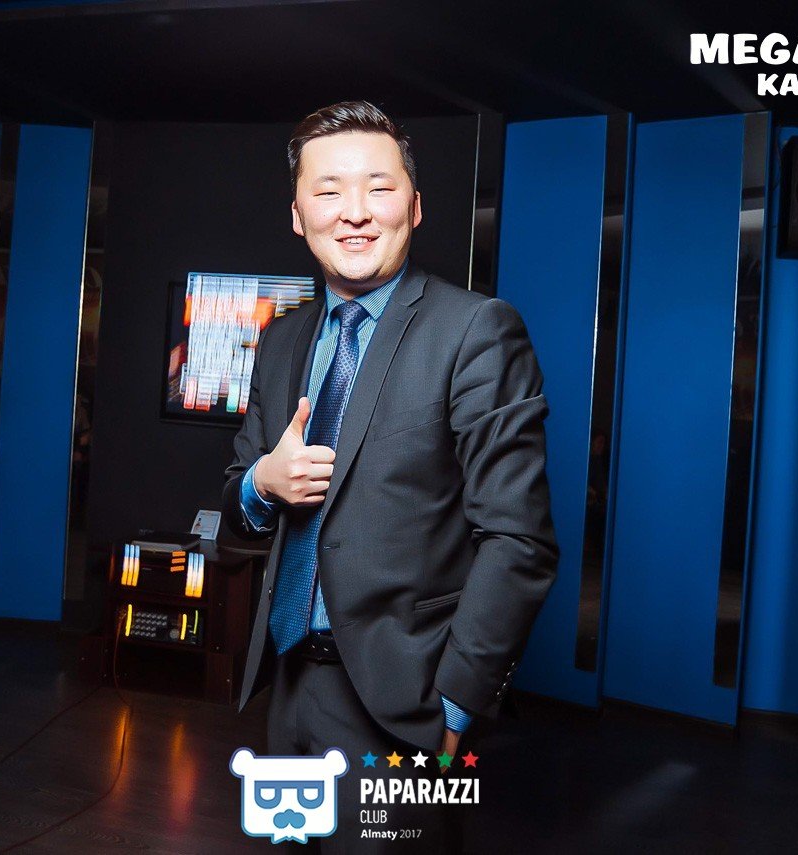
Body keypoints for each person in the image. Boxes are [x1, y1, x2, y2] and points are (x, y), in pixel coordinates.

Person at [220, 100, 558, 851]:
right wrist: (262, 483)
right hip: (286, 688)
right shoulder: (281, 343)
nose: (355, 212)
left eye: (378, 187)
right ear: (298, 216)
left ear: (415, 205)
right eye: (329, 190)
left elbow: (518, 539)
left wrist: (456, 705)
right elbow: (236, 504)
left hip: (405, 707)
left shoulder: (476, 331)